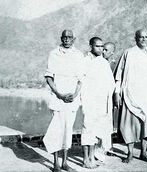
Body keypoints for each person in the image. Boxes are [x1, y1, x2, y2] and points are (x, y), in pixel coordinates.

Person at [114, 29, 147, 163]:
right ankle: (130, 153)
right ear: (135, 38)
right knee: (129, 125)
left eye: (145, 37)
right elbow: (119, 75)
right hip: (131, 95)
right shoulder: (128, 53)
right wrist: (117, 93)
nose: (143, 39)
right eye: (140, 37)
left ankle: (143, 152)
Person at [43, 29, 84, 172]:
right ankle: (55, 164)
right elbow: (49, 78)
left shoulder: (79, 55)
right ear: (61, 38)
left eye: (70, 37)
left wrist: (75, 94)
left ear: (74, 39)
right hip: (58, 99)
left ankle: (65, 162)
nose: (67, 39)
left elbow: (81, 79)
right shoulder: (54, 54)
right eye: (64, 37)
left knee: (68, 131)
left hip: (72, 100)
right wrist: (59, 94)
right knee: (56, 131)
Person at [81, 37, 115, 168]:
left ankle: (91, 157)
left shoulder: (103, 62)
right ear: (91, 46)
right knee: (87, 129)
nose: (101, 49)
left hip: (101, 102)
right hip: (89, 101)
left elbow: (110, 84)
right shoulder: (85, 61)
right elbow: (82, 81)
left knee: (95, 130)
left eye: (102, 46)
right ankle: (85, 159)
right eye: (97, 46)